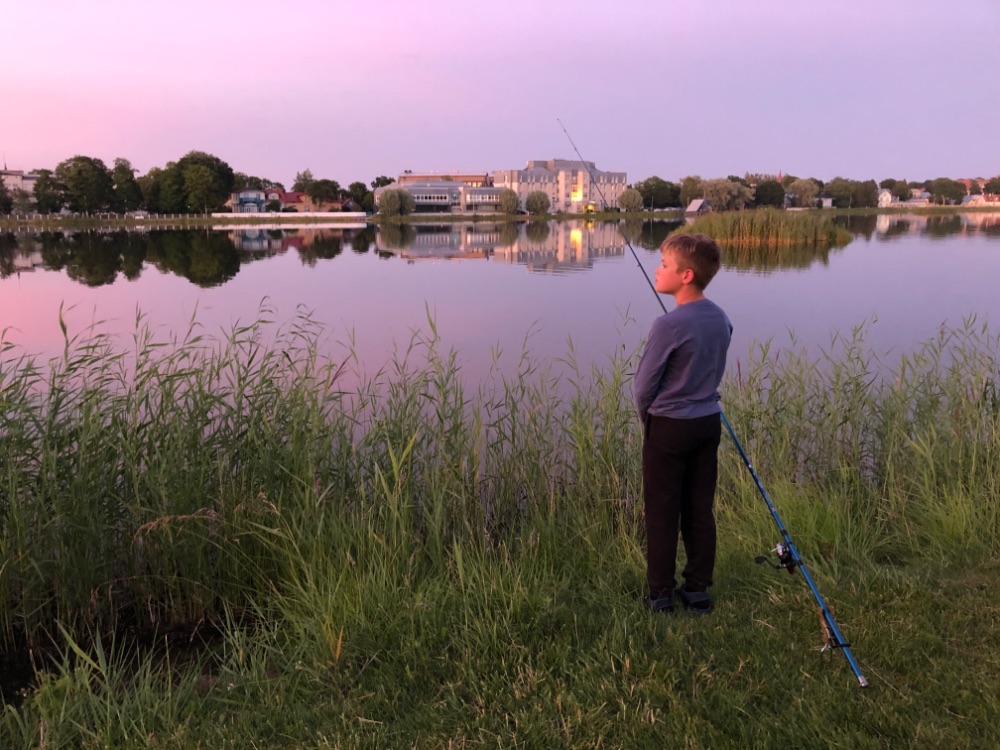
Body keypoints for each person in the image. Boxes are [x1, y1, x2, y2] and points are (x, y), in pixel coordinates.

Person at [633, 233, 732, 614]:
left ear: (686, 275)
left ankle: (660, 594)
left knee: (662, 511)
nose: (657, 270)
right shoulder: (721, 318)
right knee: (699, 508)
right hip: (707, 423)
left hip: (669, 427)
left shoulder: (667, 326)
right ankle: (697, 590)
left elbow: (643, 387)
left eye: (664, 265)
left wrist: (649, 420)